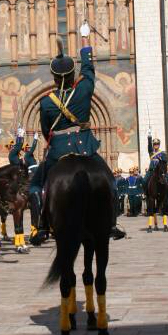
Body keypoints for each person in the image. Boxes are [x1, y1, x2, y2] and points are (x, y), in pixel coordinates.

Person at [32, 21, 125, 242]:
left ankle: (41, 227)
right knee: (109, 180)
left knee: (36, 185)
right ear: (74, 75)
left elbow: (47, 132)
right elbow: (89, 69)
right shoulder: (83, 89)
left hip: (58, 152)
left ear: (54, 78)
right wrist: (85, 41)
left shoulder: (46, 103)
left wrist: (54, 143)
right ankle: (111, 223)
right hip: (86, 148)